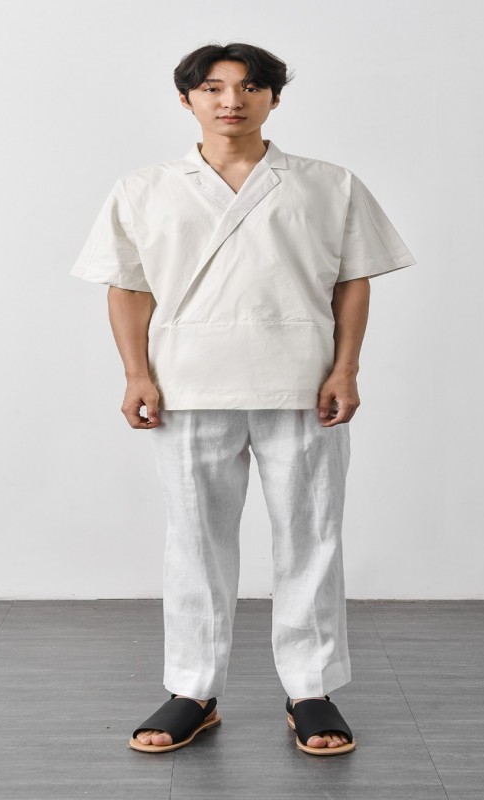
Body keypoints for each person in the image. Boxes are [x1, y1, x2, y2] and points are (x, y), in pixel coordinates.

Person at [69, 42, 416, 756]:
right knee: (195, 540)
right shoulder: (144, 188)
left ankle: (311, 690)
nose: (232, 100)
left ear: (274, 99)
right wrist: (136, 374)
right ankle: (192, 690)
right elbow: (128, 288)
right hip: (187, 382)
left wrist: (346, 368)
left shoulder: (328, 183)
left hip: (303, 380)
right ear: (186, 99)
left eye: (251, 87)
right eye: (214, 87)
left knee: (311, 536)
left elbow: (352, 281)